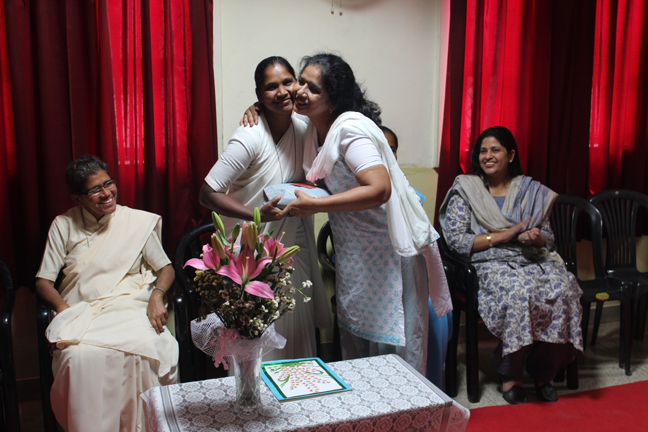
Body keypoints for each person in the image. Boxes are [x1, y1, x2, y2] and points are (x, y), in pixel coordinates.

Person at [273, 53, 452, 375]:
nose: (300, 91)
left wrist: (316, 205)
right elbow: (277, 110)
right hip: (357, 250)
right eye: (301, 81)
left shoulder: (350, 132)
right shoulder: (314, 128)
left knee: (394, 340)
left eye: (313, 88)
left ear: (333, 100)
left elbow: (379, 189)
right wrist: (257, 108)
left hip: (389, 252)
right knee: (358, 332)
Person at [439, 126, 583, 404]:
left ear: (511, 155)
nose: (488, 156)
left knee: (565, 290)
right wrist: (503, 236)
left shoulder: (529, 190)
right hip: (488, 262)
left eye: (495, 150)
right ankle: (511, 375)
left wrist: (535, 237)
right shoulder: (466, 190)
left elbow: (548, 237)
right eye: (483, 151)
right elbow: (456, 241)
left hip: (531, 258)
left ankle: (544, 372)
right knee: (519, 293)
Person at [199, 56, 330, 361]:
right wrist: (257, 215)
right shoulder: (250, 135)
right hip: (252, 251)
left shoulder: (305, 127)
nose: (282, 92)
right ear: (259, 95)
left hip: (293, 244)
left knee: (296, 329)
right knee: (256, 338)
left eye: (288, 82)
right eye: (271, 87)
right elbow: (207, 194)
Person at [35, 155, 178, 431]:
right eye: (95, 190)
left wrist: (157, 295)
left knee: (144, 347)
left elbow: (166, 269)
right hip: (83, 308)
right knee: (77, 358)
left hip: (130, 303)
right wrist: (64, 311)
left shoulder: (135, 222)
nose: (107, 193)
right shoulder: (63, 224)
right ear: (77, 198)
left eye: (108, 183)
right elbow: (43, 282)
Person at [381, 124, 452, 386]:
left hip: (411, 269)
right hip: (380, 275)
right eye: (381, 148)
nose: (387, 154)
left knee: (435, 312)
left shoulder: (407, 192)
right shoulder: (357, 187)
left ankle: (430, 384)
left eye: (392, 149)